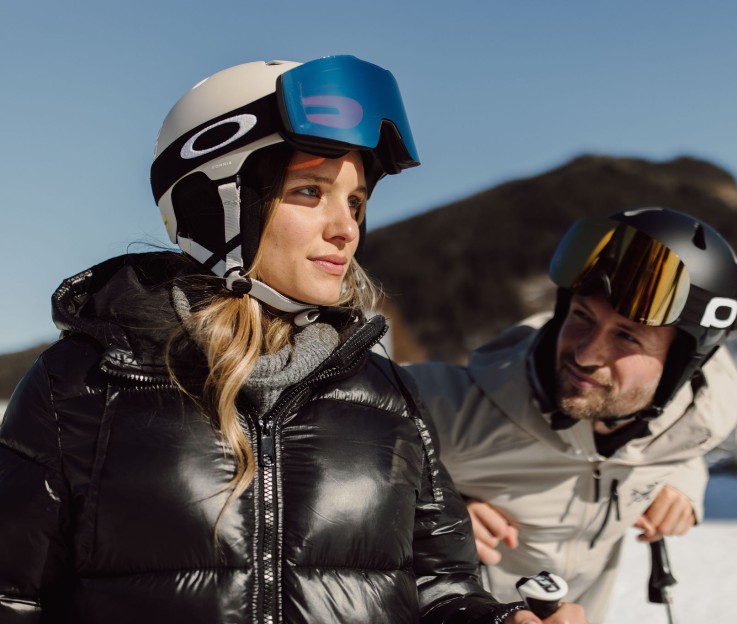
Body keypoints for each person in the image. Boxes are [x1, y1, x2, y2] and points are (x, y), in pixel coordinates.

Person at [0, 56, 585, 624]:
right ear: (217, 203)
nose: (347, 227)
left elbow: (441, 587)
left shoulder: (384, 394)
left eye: (355, 201)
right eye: (311, 192)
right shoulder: (82, 383)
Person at [406, 207, 737, 623]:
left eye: (627, 336)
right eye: (582, 316)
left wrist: (683, 479)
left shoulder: (706, 412)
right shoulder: (452, 408)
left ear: (682, 365)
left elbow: (682, 439)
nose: (585, 354)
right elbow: (327, 449)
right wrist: (430, 514)